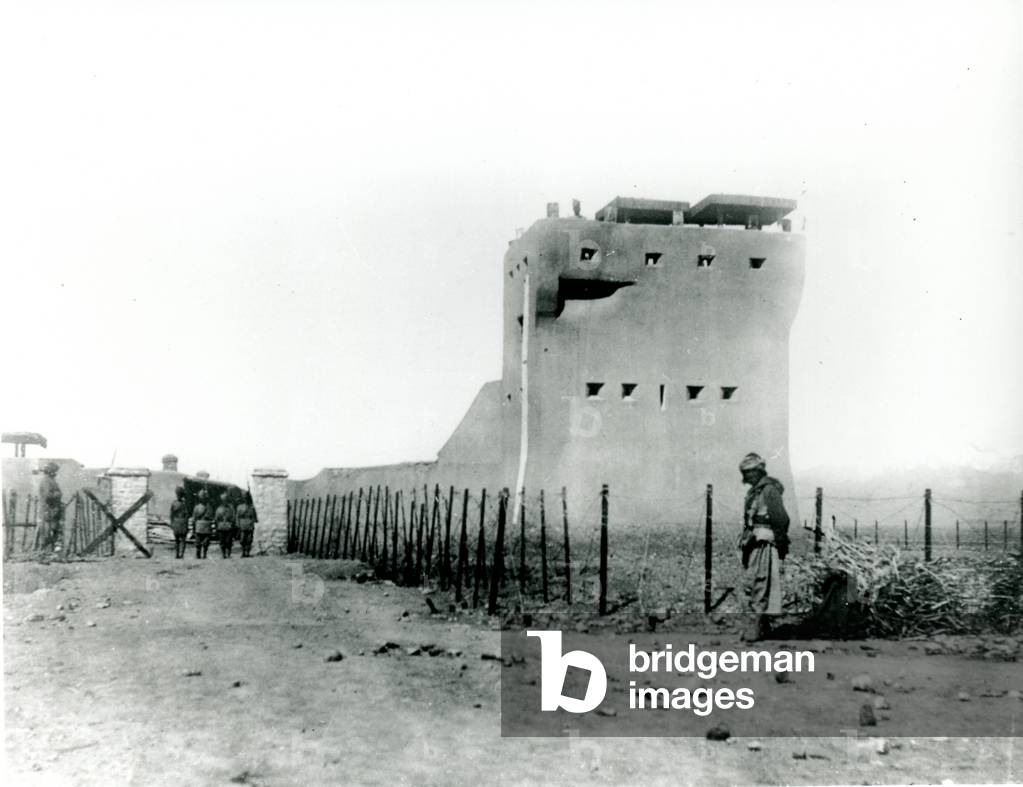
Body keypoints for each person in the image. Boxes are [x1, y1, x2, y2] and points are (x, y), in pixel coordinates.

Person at [737, 452, 790, 641]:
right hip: (754, 544)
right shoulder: (756, 492)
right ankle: (760, 629)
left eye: (750, 472)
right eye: (745, 473)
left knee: (760, 584)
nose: (747, 476)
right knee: (755, 585)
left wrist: (781, 546)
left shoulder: (768, 491)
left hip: (764, 544)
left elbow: (781, 520)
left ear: (758, 472)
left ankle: (754, 631)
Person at [38, 462, 64, 554]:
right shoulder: (46, 481)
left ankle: (51, 551)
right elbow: (47, 496)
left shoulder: (51, 480)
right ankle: (45, 551)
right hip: (49, 510)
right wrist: (58, 494)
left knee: (54, 529)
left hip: (53, 510)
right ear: (50, 471)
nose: (56, 473)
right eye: (54, 471)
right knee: (48, 530)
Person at [191, 489, 213, 559]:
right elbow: (194, 517)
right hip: (200, 526)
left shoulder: (208, 507)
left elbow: (211, 516)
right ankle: (199, 554)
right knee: (199, 542)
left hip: (204, 526)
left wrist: (207, 517)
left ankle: (203, 554)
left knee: (205, 542)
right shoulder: (197, 507)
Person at [214, 490, 236, 559]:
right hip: (221, 526)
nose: (224, 502)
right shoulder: (218, 509)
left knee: (229, 541)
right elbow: (216, 518)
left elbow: (233, 517)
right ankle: (223, 554)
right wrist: (217, 525)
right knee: (222, 541)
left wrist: (232, 523)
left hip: (229, 526)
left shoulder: (231, 508)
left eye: (226, 500)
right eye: (223, 500)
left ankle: (228, 553)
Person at [169, 486, 189, 559]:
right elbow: (171, 514)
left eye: (180, 494)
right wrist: (172, 523)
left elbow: (187, 514)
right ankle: (177, 554)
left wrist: (186, 523)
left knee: (183, 540)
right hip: (177, 522)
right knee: (177, 540)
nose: (179, 496)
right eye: (178, 494)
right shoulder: (174, 503)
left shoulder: (184, 503)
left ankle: (182, 554)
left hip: (182, 522)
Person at [235, 492, 257, 558]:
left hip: (250, 524)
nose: (246, 500)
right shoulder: (239, 507)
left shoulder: (252, 507)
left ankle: (247, 552)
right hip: (242, 524)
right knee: (242, 540)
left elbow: (254, 517)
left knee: (249, 540)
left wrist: (253, 521)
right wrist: (238, 524)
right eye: (245, 498)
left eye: (247, 498)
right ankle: (243, 551)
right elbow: (237, 516)